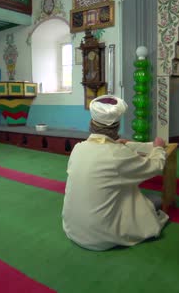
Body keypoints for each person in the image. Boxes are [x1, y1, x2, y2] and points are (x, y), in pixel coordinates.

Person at [62, 94, 169, 251]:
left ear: (92, 123)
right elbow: (156, 165)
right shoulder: (117, 154)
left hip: (72, 228)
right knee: (154, 200)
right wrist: (158, 147)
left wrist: (117, 145)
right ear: (117, 127)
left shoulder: (78, 148)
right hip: (99, 237)